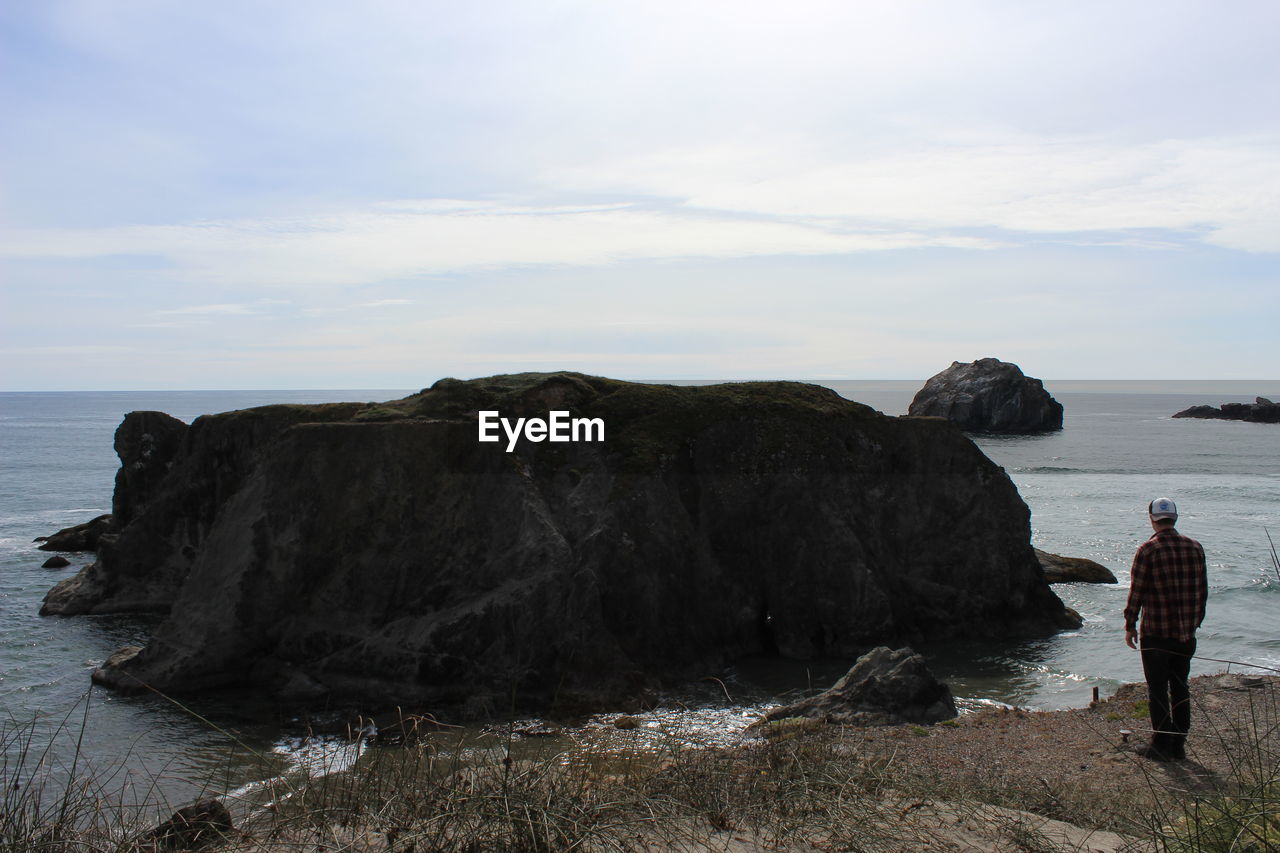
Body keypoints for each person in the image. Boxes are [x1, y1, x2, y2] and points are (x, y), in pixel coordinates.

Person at [1123, 497, 1208, 761]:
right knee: (1180, 687)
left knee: (1158, 689)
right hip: (1185, 634)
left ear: (1152, 518)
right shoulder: (1195, 548)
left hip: (1156, 633)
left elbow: (1136, 592)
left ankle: (1161, 745)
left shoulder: (1148, 550)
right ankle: (1178, 745)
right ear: (1175, 517)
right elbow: (1203, 591)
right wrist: (1195, 622)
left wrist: (1130, 624)